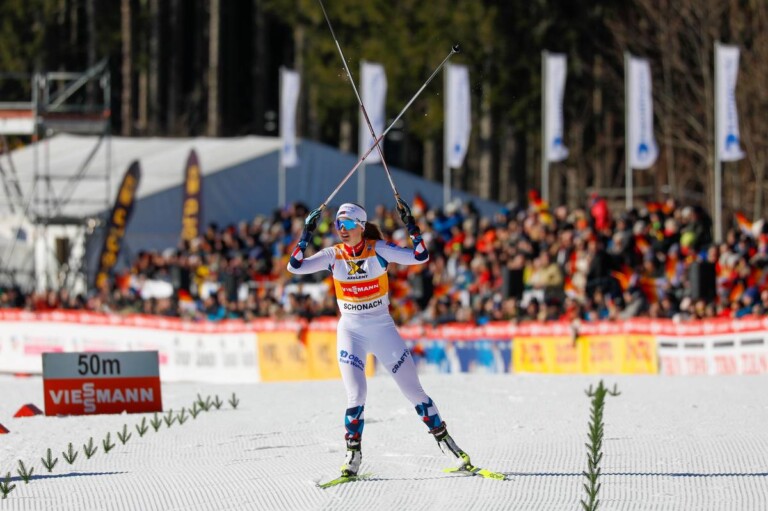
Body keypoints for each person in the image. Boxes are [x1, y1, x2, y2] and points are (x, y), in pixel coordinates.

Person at [287, 200, 471, 477]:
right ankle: (353, 457)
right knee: (356, 394)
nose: (342, 229)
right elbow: (294, 267)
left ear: (361, 226)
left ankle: (451, 447)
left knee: (414, 392)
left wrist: (411, 225)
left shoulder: (379, 250)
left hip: (383, 330)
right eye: (339, 224)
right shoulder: (333, 254)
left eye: (348, 224)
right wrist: (306, 233)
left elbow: (420, 257)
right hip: (351, 331)